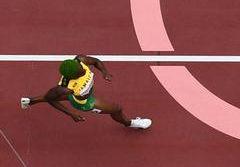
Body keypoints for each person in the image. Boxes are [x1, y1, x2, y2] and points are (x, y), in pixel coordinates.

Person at [19, 55, 152, 129]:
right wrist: (71, 114)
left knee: (64, 97)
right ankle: (130, 124)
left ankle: (30, 101)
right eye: (80, 72)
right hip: (84, 102)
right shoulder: (65, 87)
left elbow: (95, 61)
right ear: (72, 76)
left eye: (82, 68)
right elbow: (50, 98)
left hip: (78, 93)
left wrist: (105, 72)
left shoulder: (81, 60)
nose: (84, 70)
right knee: (117, 109)